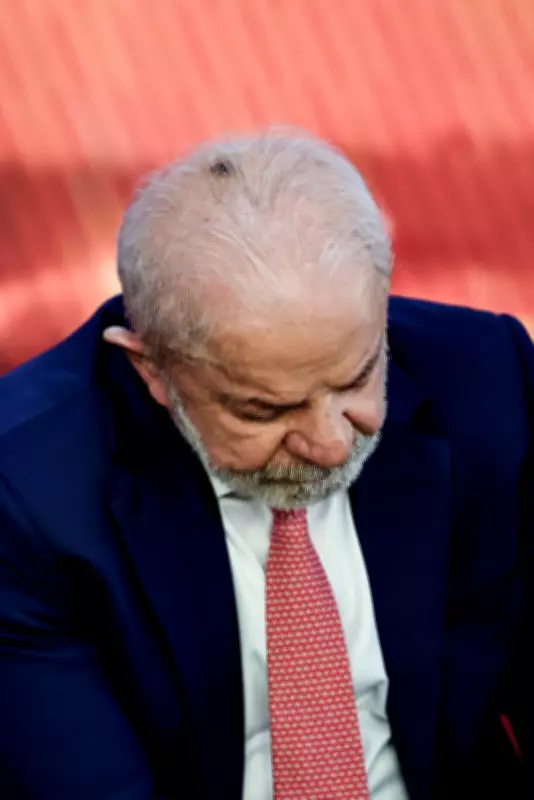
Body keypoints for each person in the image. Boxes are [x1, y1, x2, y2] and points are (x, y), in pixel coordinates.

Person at [0, 130, 532, 800]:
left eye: (357, 378)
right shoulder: (26, 490)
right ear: (151, 368)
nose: (330, 444)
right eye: (265, 410)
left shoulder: (488, 380)